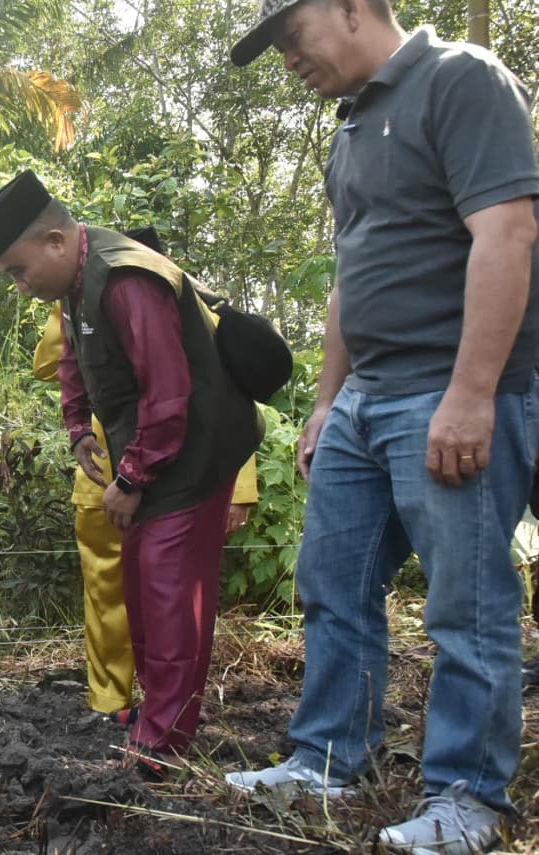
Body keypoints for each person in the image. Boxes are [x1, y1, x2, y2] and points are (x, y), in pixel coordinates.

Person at [225, 1, 539, 852]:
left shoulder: (461, 82)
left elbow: (507, 233)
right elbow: (349, 271)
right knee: (333, 584)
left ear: (351, 7)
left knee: (465, 606)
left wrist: (472, 393)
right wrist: (330, 399)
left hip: (449, 391)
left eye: (292, 35)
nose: (287, 57)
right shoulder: (352, 126)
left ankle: (467, 799)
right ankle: (327, 755)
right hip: (367, 399)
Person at [0, 171, 263, 773]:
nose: (20, 286)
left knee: (170, 597)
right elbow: (76, 359)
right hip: (153, 454)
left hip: (195, 455)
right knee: (141, 593)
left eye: (18, 270)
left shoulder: (127, 278)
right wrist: (77, 428)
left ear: (54, 239)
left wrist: (130, 481)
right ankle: (153, 714)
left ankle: (163, 747)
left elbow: (169, 391)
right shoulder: (74, 285)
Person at [33, 301, 262, 720]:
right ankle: (111, 701)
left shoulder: (194, 310)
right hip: (103, 472)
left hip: (186, 476)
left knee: (172, 599)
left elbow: (228, 400)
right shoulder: (77, 303)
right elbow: (49, 365)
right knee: (105, 594)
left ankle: (167, 707)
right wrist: (65, 309)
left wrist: (241, 489)